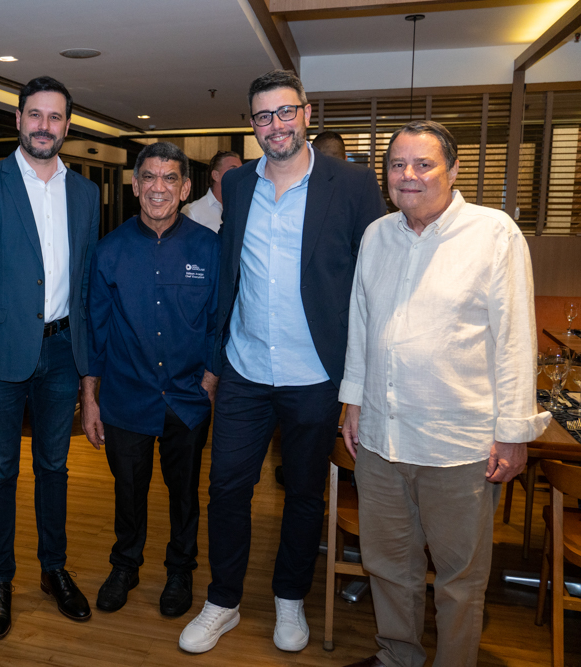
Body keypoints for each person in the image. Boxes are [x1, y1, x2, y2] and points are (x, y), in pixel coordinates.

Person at [178, 69, 387, 655]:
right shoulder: (238, 183)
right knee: (226, 489)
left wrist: (358, 382)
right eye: (264, 116)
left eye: (286, 111)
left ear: (306, 113)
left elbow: (371, 283)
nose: (276, 125)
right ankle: (222, 601)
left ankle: (290, 596)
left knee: (303, 493)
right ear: (253, 124)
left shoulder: (352, 184)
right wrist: (216, 359)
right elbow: (230, 271)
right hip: (245, 369)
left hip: (315, 374)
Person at [339, 120, 550, 667]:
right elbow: (361, 324)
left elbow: (515, 339)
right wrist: (353, 399)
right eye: (397, 165)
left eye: (423, 164)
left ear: (453, 171)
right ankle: (397, 656)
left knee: (459, 579)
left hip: (459, 445)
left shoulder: (493, 233)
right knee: (388, 566)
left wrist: (514, 432)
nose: (408, 175)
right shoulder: (376, 235)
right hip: (381, 439)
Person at [0, 75, 100, 639]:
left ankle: (53, 569)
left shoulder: (85, 193)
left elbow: (85, 286)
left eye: (55, 117)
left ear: (67, 126)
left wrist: (88, 373)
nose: (44, 126)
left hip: (61, 351)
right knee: (0, 471)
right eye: (34, 115)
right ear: (17, 120)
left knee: (54, 467)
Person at [81, 142, 219, 618]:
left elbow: (219, 323)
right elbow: (96, 331)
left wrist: (210, 382)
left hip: (187, 398)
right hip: (126, 399)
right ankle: (125, 565)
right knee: (128, 491)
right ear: (135, 186)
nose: (159, 188)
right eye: (149, 178)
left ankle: (181, 569)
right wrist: (90, 399)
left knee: (184, 495)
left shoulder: (209, 248)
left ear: (185, 188)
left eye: (170, 178)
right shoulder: (109, 250)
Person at [181, 150, 243, 232]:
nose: (240, 175)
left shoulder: (243, 210)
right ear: (215, 175)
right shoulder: (193, 212)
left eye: (241, 171)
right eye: (233, 170)